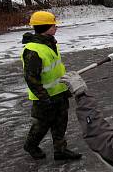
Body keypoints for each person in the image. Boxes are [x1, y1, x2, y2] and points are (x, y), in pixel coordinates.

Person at [21, 11, 81, 160]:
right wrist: (44, 98)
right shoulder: (33, 51)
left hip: (59, 92)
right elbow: (31, 78)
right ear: (46, 27)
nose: (56, 27)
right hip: (44, 97)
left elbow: (55, 69)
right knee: (42, 125)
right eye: (54, 25)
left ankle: (60, 150)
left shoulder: (50, 43)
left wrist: (65, 87)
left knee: (61, 123)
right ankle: (31, 145)